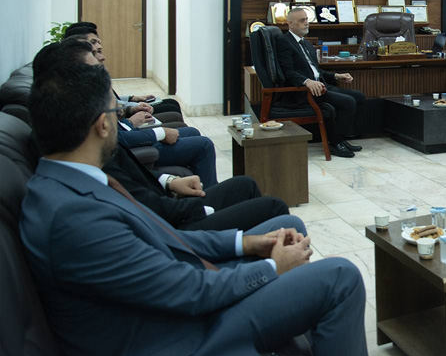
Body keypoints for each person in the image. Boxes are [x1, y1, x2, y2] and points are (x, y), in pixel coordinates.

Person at [19, 60, 374, 356]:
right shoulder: (75, 217)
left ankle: (308, 345)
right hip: (174, 341)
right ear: (102, 125)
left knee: (286, 228)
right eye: (115, 113)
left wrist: (247, 242)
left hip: (172, 299)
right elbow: (190, 291)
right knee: (340, 276)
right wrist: (272, 267)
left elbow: (163, 236)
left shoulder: (71, 182)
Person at [34, 40, 290, 232]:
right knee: (274, 208)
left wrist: (169, 181)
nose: (102, 62)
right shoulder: (86, 166)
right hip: (173, 224)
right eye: (94, 63)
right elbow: (148, 217)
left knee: (244, 184)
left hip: (166, 202)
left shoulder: (78, 149)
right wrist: (213, 220)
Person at [274, 7, 365, 158]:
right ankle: (335, 143)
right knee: (348, 102)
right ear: (290, 24)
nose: (306, 23)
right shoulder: (284, 42)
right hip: (305, 91)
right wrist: (306, 81)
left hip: (320, 85)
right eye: (302, 20)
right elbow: (287, 72)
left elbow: (316, 71)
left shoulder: (306, 44)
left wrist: (336, 76)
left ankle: (341, 138)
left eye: (307, 19)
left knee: (359, 96)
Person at [64, 22, 182, 115]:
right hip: (122, 120)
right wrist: (133, 106)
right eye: (93, 42)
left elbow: (112, 100)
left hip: (123, 113)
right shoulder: (82, 76)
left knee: (172, 104)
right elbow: (108, 107)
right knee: (172, 111)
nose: (99, 46)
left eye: (98, 41)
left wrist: (132, 98)